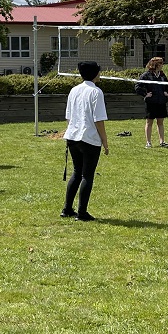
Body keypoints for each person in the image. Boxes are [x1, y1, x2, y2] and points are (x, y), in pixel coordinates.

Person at [62, 60, 109, 221]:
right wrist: (104, 141)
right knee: (87, 175)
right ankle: (82, 213)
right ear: (95, 74)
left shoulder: (74, 90)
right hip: (89, 138)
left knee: (77, 172)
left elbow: (68, 116)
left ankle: (67, 209)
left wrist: (71, 131)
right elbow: (99, 119)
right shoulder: (96, 92)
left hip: (73, 137)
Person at [135, 56, 168, 148]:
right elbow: (137, 87)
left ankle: (162, 142)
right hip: (151, 102)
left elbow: (167, 86)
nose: (162, 65)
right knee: (149, 122)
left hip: (161, 102)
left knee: (160, 122)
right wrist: (145, 94)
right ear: (155, 64)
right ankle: (148, 142)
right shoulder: (146, 75)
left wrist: (167, 92)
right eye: (161, 63)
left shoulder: (162, 75)